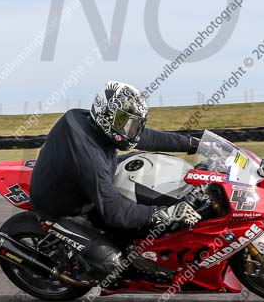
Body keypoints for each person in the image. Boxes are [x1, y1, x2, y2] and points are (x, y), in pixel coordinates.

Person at [29, 81, 201, 279]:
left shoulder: (91, 121)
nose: (131, 129)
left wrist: (192, 143)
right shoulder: (89, 156)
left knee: (148, 166)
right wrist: (163, 214)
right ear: (106, 115)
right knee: (113, 266)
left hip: (83, 181)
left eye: (134, 123)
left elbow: (145, 137)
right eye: (125, 123)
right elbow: (114, 212)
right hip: (63, 211)